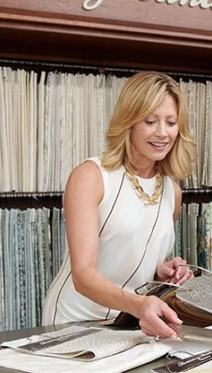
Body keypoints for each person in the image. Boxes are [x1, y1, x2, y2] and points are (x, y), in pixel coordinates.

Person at [42, 71, 197, 339]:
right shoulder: (91, 176)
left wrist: (164, 273)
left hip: (130, 325)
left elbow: (140, 259)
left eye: (171, 123)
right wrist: (139, 306)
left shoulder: (172, 192)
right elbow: (82, 275)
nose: (162, 133)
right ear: (129, 122)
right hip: (73, 323)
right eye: (150, 121)